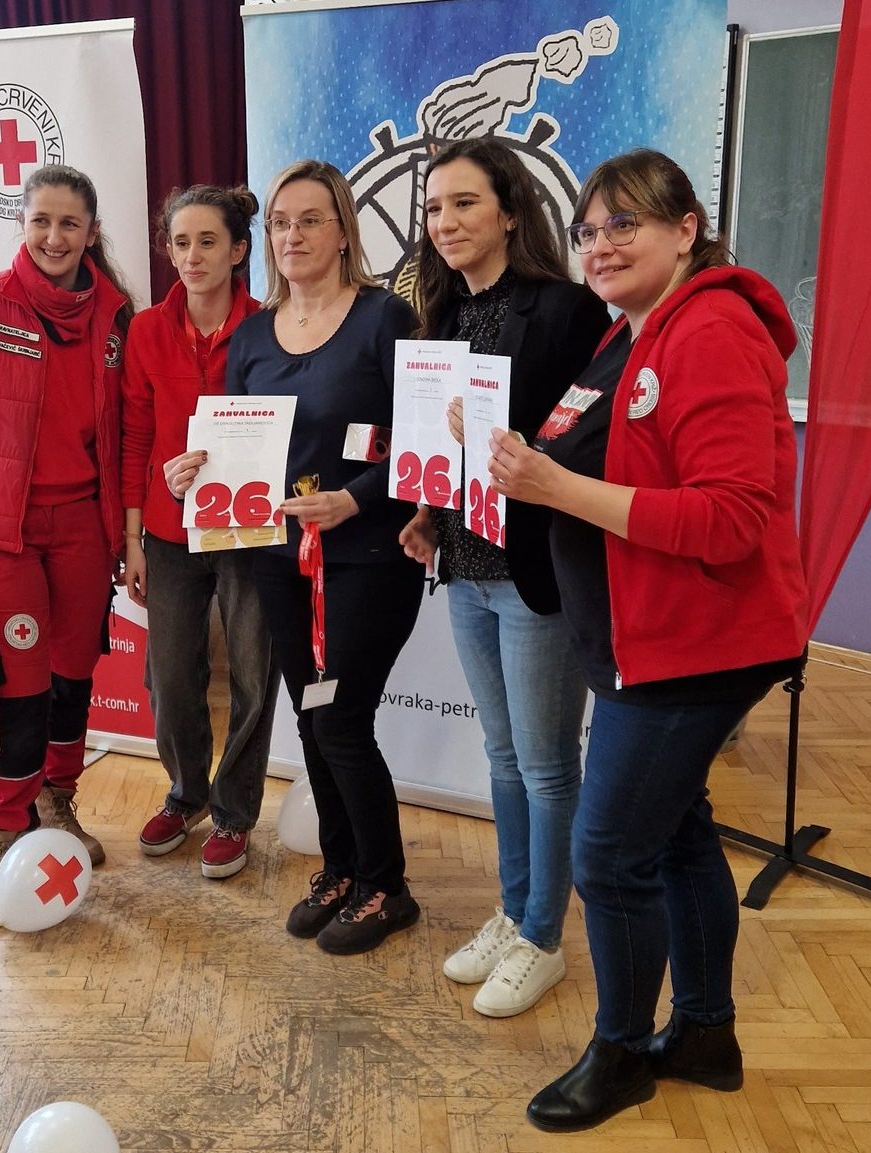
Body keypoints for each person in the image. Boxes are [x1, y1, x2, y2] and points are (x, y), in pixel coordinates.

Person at [483, 149, 808, 1130]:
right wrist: (520, 470)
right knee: (675, 833)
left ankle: (620, 1053)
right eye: (588, 230)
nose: (601, 244)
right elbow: (589, 460)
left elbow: (729, 518)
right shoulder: (629, 334)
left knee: (608, 855)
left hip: (696, 646)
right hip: (646, 642)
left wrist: (554, 485)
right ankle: (704, 1033)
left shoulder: (708, 330)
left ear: (685, 228)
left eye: (624, 223)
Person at [170, 159, 421, 954]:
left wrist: (355, 498)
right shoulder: (251, 335)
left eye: (310, 219)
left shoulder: (385, 319)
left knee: (341, 717)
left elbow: (421, 444)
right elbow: (237, 444)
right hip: (279, 561)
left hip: (368, 556)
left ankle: (387, 885)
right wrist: (195, 471)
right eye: (280, 222)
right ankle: (342, 868)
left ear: (344, 230)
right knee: (313, 720)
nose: (292, 235)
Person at [397, 138, 610, 1017]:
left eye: (464, 204)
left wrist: (510, 434)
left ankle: (543, 938)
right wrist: (426, 511)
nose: (444, 222)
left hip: (534, 574)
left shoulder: (564, 309)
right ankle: (513, 908)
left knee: (547, 765)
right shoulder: (441, 315)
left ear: (511, 212)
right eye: (433, 208)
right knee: (502, 755)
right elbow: (443, 449)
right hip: (466, 565)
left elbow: (588, 440)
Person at [0, 164, 135, 931]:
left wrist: (127, 533)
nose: (53, 236)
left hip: (83, 527)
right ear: (22, 224)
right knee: (20, 685)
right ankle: (7, 833)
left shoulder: (115, 315)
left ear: (91, 231)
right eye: (40, 220)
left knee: (73, 675)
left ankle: (57, 799)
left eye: (68, 223)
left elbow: (125, 433)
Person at [121, 184, 278, 880]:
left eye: (208, 241)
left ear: (239, 250)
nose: (192, 256)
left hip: (247, 529)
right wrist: (132, 539)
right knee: (170, 675)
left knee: (252, 672)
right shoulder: (146, 331)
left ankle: (234, 812)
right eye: (180, 242)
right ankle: (185, 794)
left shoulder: (269, 327)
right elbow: (135, 436)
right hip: (166, 531)